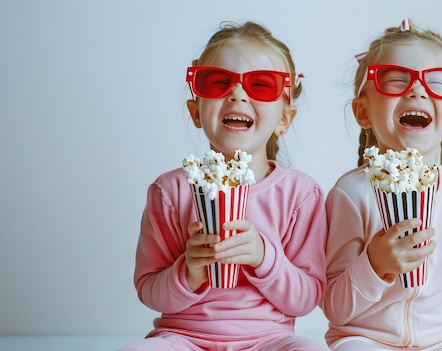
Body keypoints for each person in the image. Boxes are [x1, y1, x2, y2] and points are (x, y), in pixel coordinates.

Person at [119, 21, 330, 351]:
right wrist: (187, 271)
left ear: (284, 119)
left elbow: (306, 298)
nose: (238, 94)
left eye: (261, 85)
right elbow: (148, 288)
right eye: (217, 83)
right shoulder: (170, 191)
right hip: (182, 338)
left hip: (268, 340)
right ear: (196, 112)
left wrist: (264, 257)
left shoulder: (299, 195)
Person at [320, 19, 442, 351]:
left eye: (438, 82)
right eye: (395, 81)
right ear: (362, 112)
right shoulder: (350, 195)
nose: (417, 89)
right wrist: (374, 265)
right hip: (365, 341)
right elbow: (334, 308)